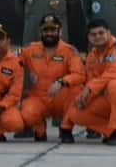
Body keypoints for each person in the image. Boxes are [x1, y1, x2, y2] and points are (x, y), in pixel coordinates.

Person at [60, 18, 116, 146]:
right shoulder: (92, 56)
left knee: (115, 85)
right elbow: (91, 82)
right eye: (93, 34)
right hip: (110, 99)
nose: (98, 37)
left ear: (109, 32)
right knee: (76, 113)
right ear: (89, 37)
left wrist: (89, 89)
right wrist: (83, 100)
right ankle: (112, 132)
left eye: (101, 33)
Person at [19, 14, 85, 142]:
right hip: (38, 97)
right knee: (26, 114)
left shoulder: (69, 51)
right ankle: (40, 129)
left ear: (60, 32)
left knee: (76, 90)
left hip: (59, 96)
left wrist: (62, 82)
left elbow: (80, 75)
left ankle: (66, 128)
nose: (49, 33)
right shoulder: (30, 49)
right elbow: (11, 63)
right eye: (45, 30)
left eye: (52, 30)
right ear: (40, 32)